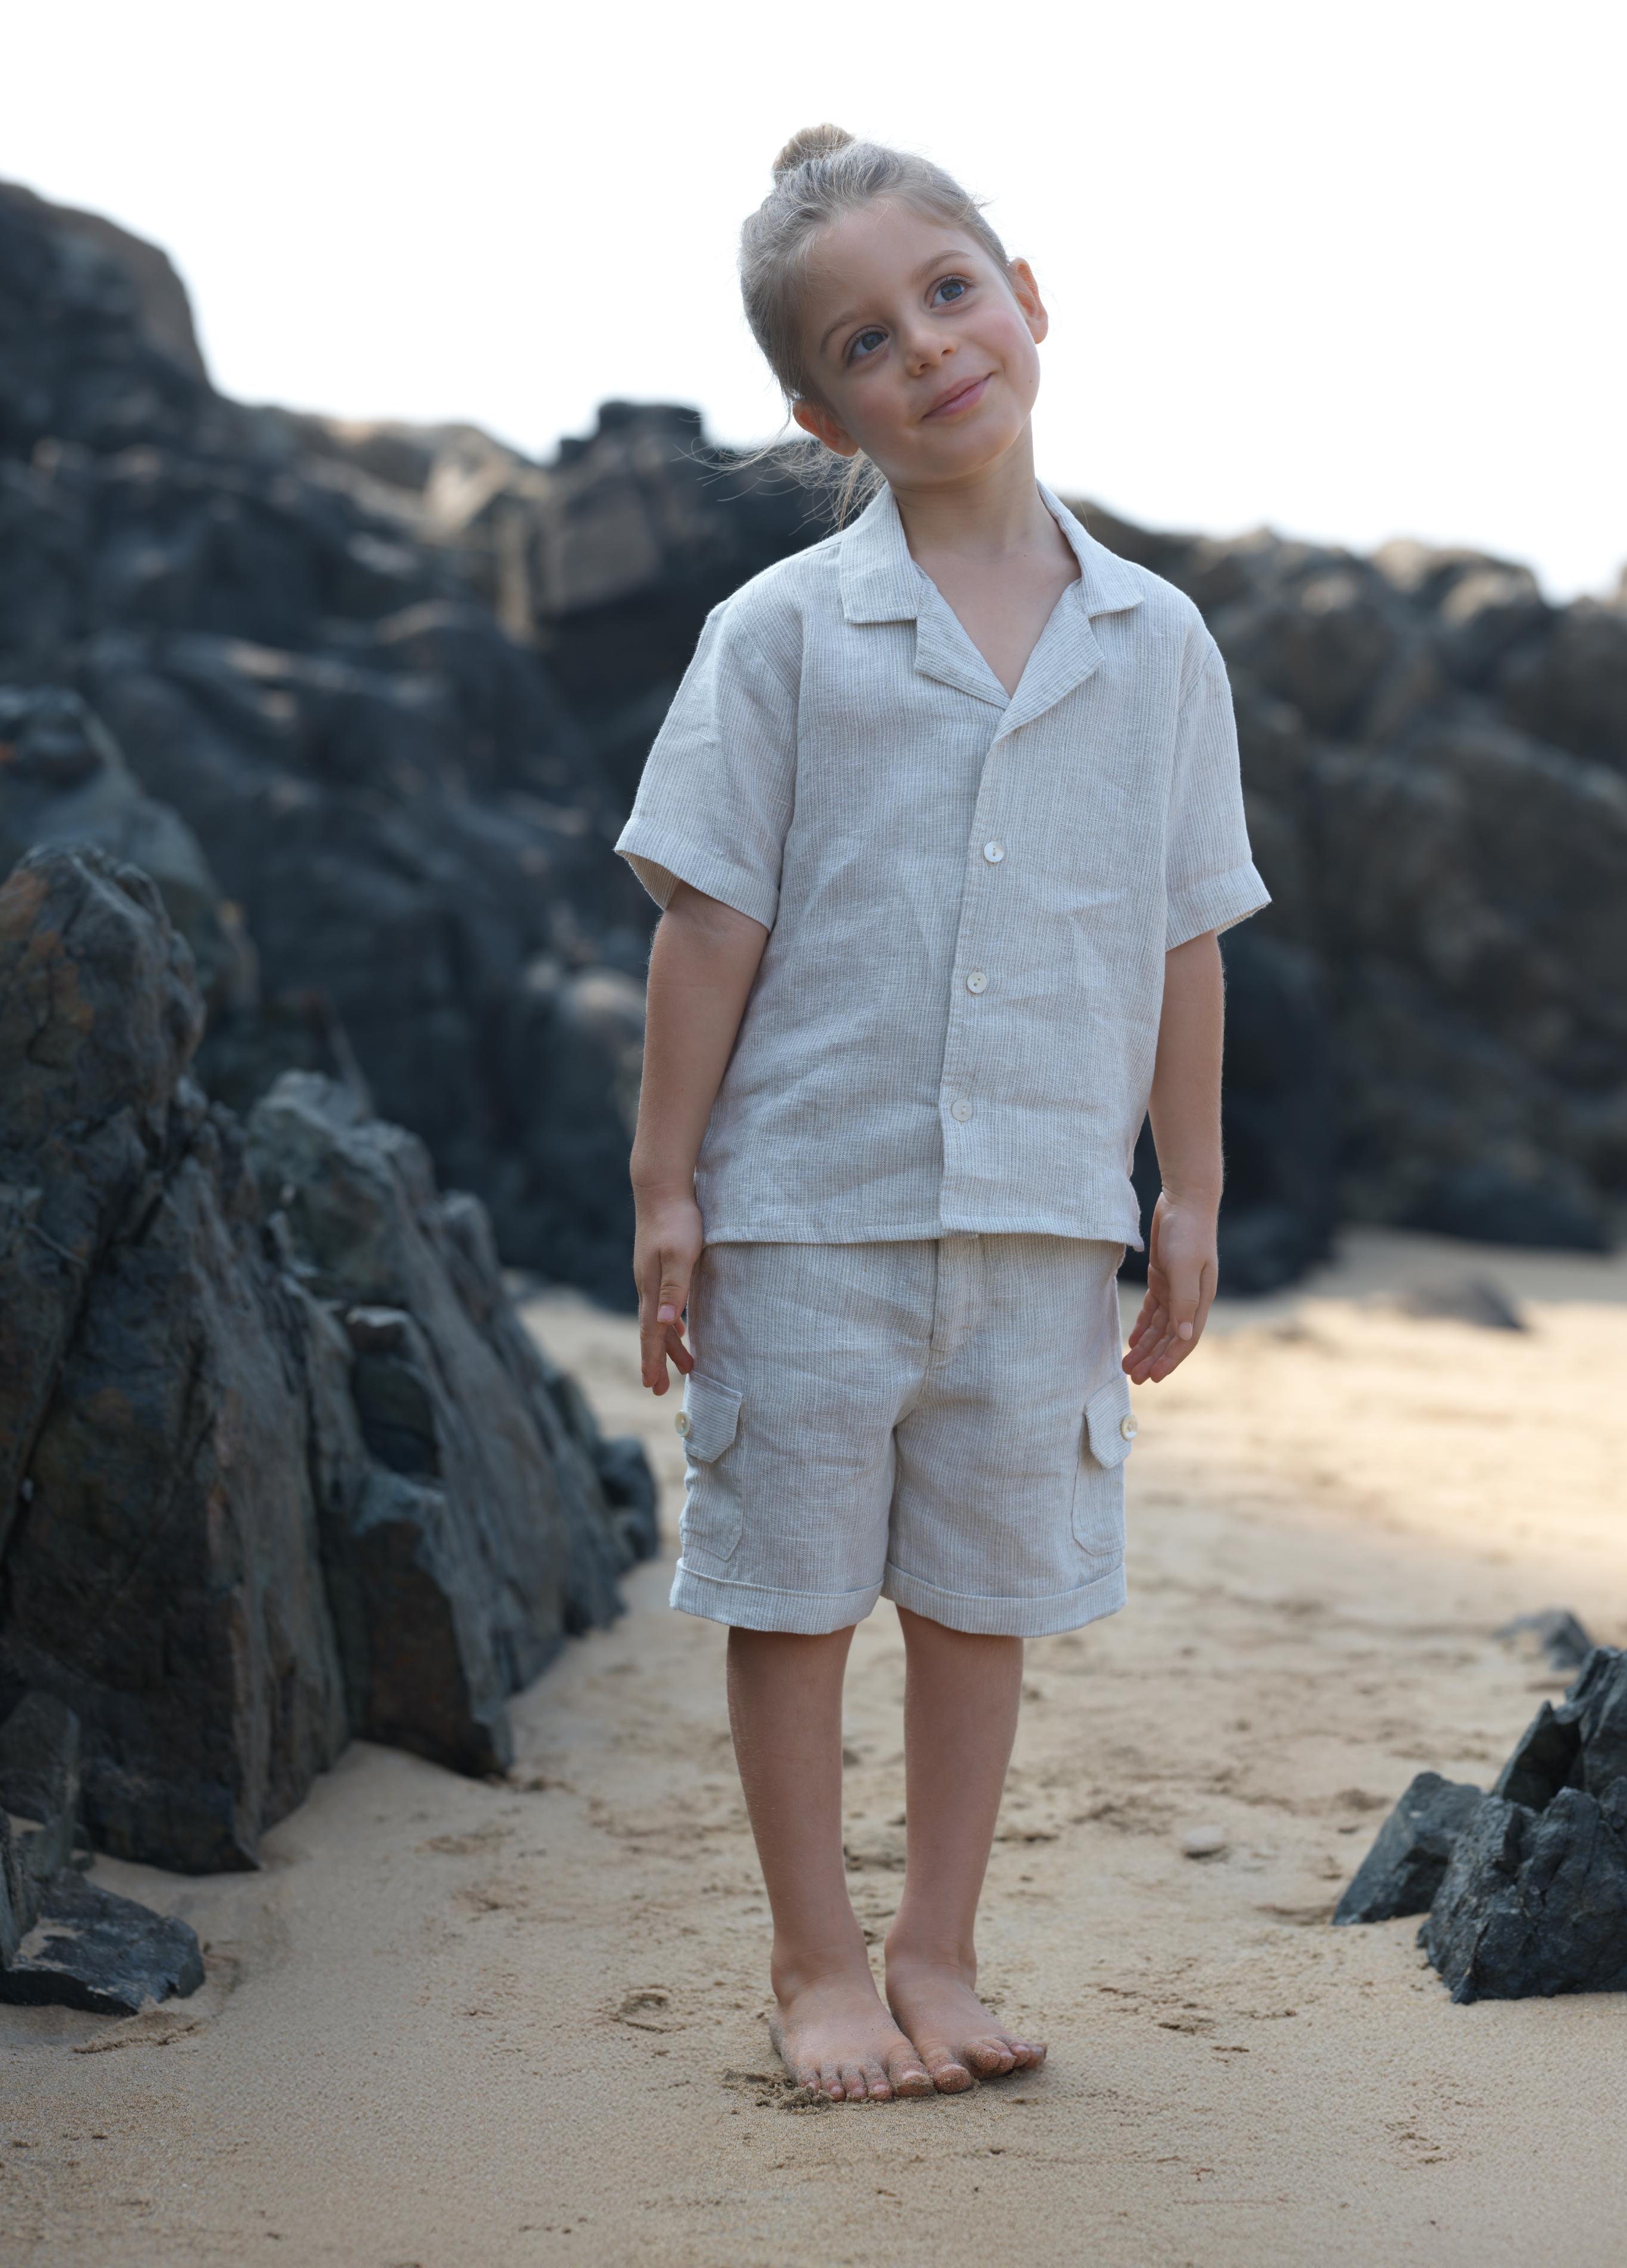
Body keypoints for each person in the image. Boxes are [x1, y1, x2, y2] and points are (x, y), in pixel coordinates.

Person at [615, 125, 1267, 2103]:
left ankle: (939, 1951)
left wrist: (1187, 1192)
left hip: (1044, 1223)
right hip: (806, 1211)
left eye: (950, 293)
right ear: (822, 415)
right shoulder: (783, 634)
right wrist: (665, 1187)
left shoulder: (1156, 642)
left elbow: (1182, 935)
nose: (927, 348)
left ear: (1027, 300)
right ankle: (817, 1963)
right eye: (866, 342)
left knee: (984, 1606)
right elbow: (707, 926)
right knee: (795, 1598)